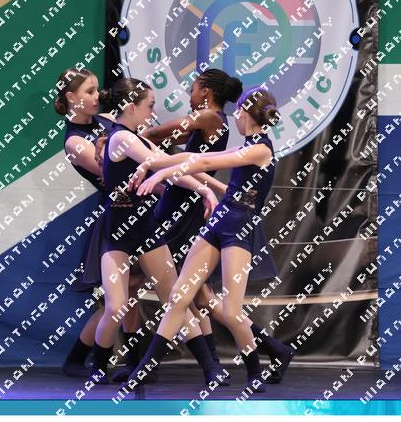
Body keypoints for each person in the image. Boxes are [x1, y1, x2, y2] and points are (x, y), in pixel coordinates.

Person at [125, 88, 294, 392]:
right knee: (179, 297)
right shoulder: (248, 145)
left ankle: (255, 372)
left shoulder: (261, 150)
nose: (235, 118)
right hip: (219, 222)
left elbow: (202, 165)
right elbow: (196, 157)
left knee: (230, 311)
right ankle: (141, 370)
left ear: (243, 113)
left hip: (239, 228)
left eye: (237, 113)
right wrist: (151, 164)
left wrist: (158, 175)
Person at [86, 77, 226, 385]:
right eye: (150, 106)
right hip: (117, 233)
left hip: (146, 229)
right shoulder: (121, 139)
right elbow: (162, 163)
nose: (153, 113)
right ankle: (98, 365)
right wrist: (206, 182)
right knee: (116, 306)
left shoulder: (137, 139)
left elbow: (171, 171)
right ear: (131, 106)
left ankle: (210, 368)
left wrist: (206, 189)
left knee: (175, 298)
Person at [53, 67, 145, 378]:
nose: (97, 96)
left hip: (137, 208)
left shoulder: (106, 120)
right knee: (120, 297)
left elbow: (136, 146)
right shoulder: (74, 142)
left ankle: (128, 361)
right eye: (89, 91)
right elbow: (111, 171)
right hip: (116, 213)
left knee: (128, 293)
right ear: (71, 97)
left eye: (97, 89)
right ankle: (90, 359)